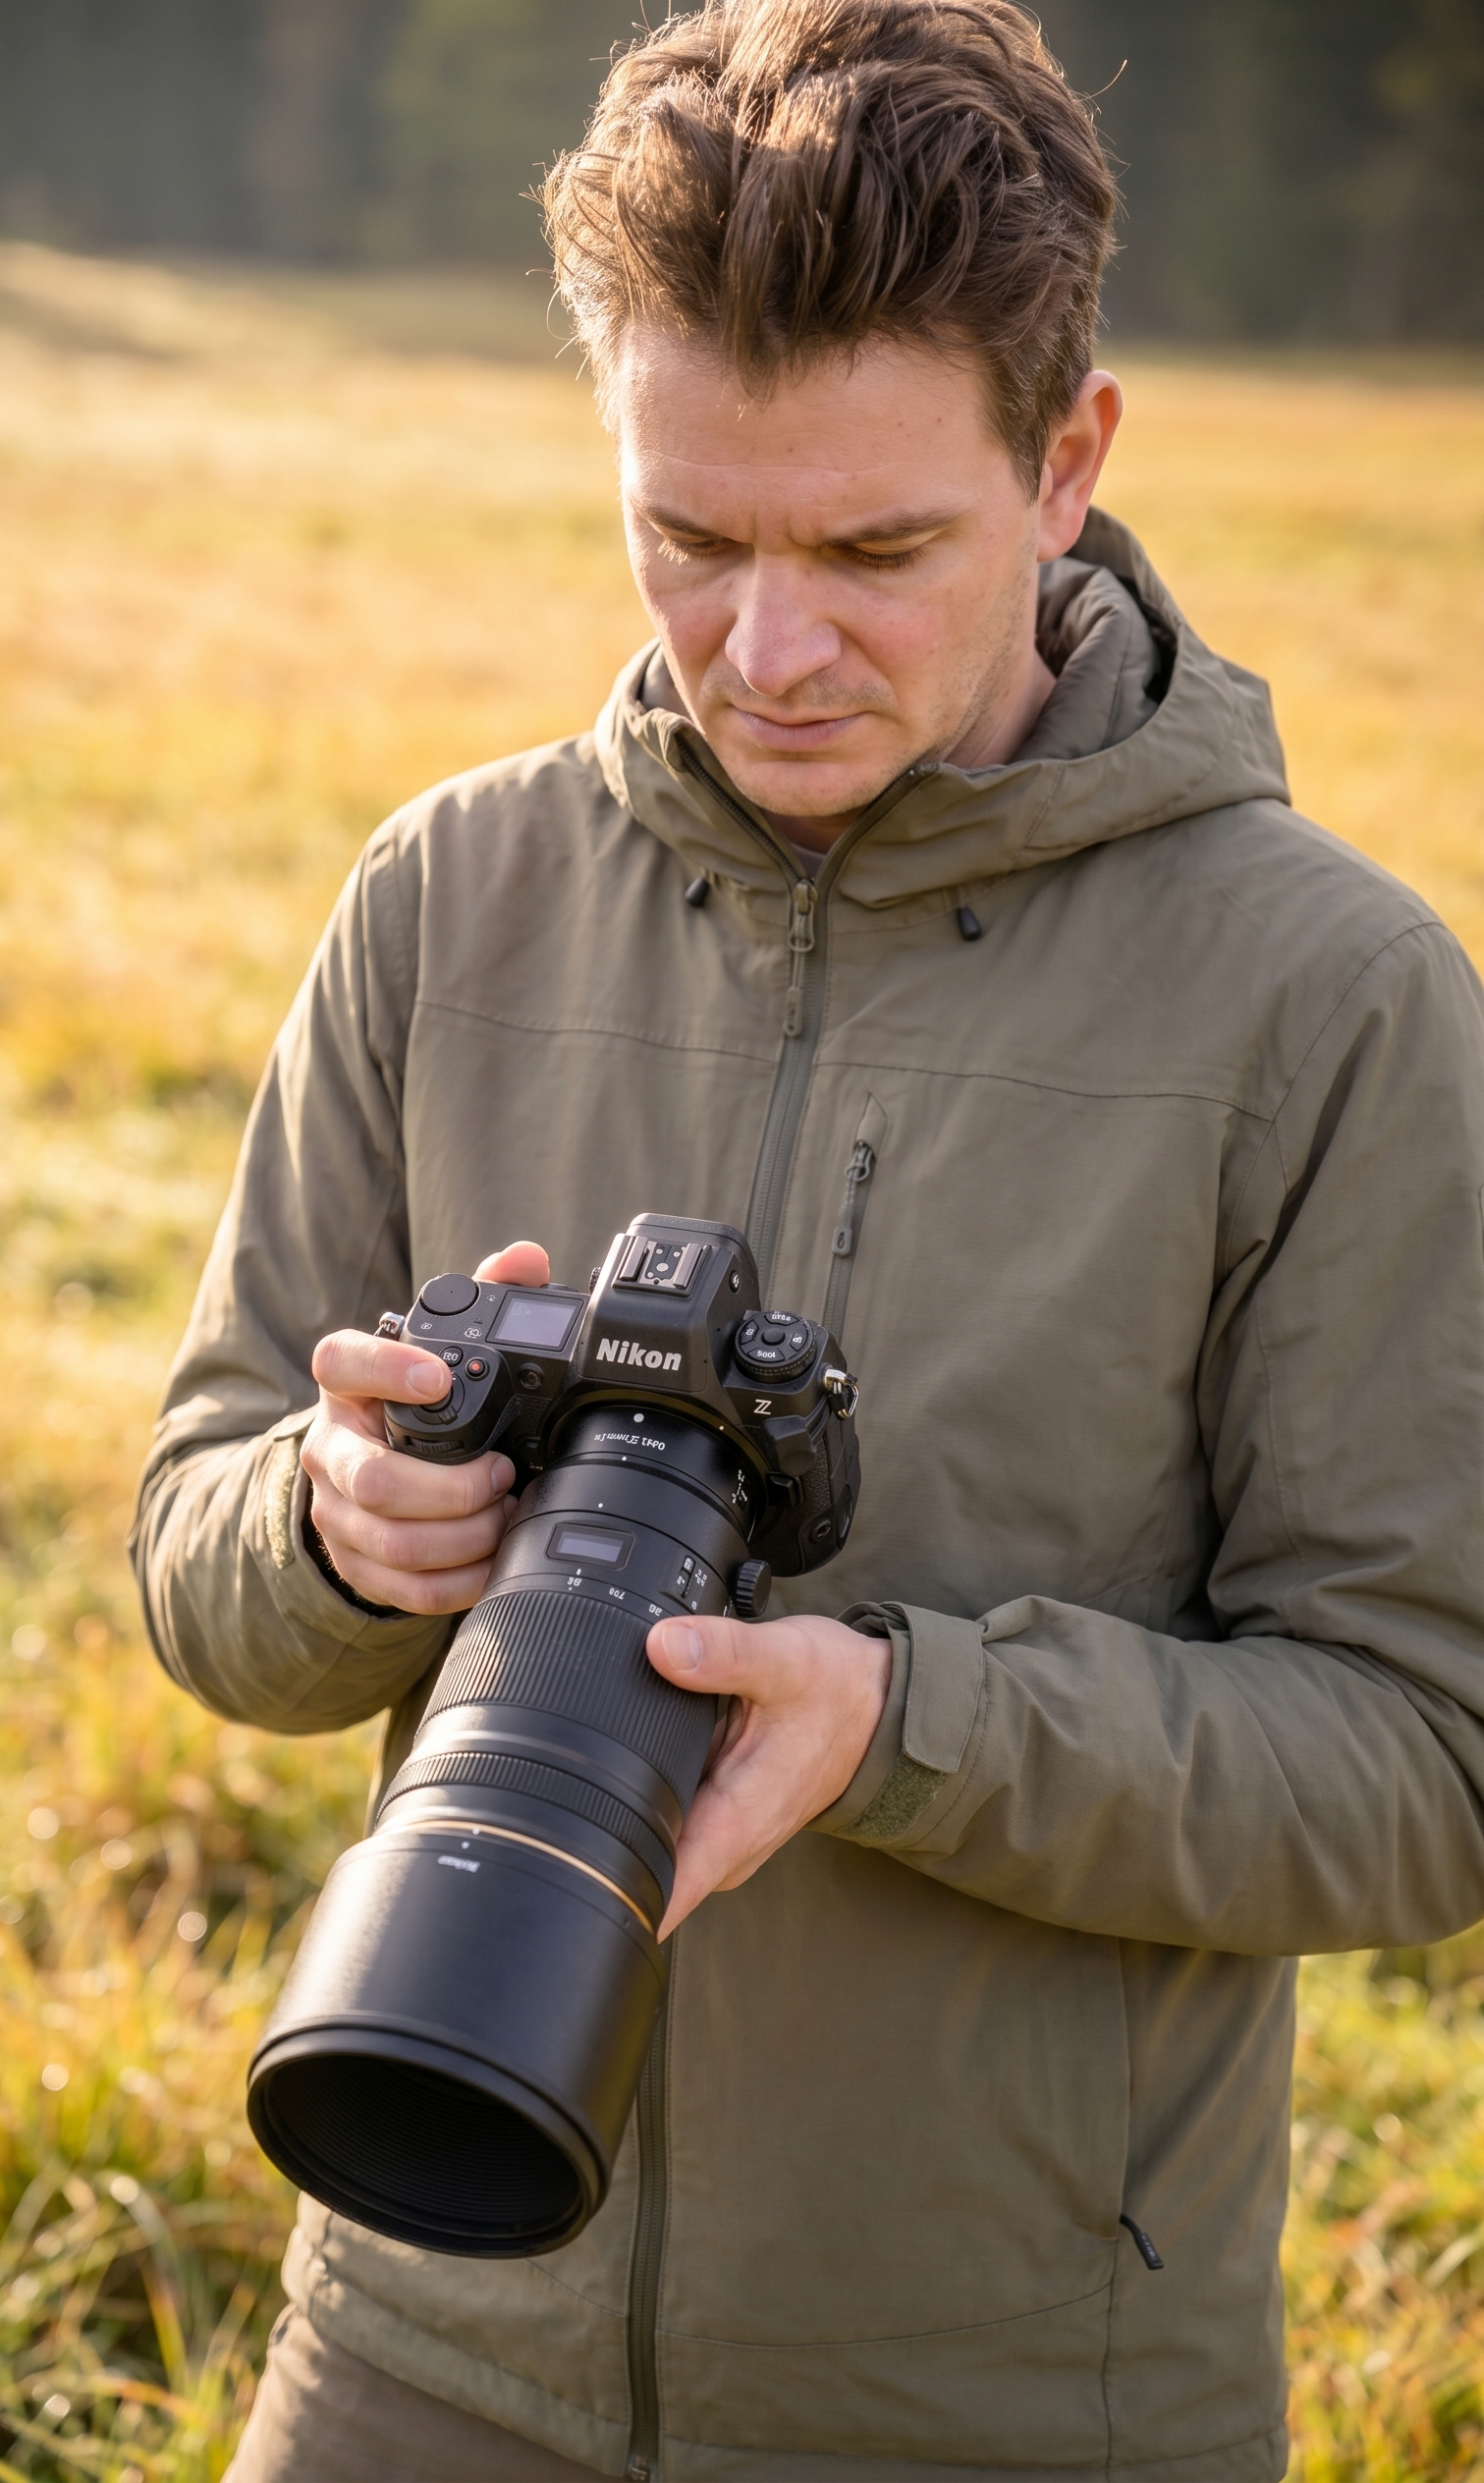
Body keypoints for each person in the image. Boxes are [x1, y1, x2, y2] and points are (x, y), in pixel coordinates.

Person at [131, 2, 1484, 2475]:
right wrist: (336, 1528)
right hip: (417, 2327)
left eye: (872, 550)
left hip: (1009, 2404)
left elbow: (1423, 1757)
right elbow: (194, 1555)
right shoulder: (448, 894)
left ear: (1065, 462)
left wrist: (905, 1723)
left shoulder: (1333, 1000)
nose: (764, 649)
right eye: (687, 535)